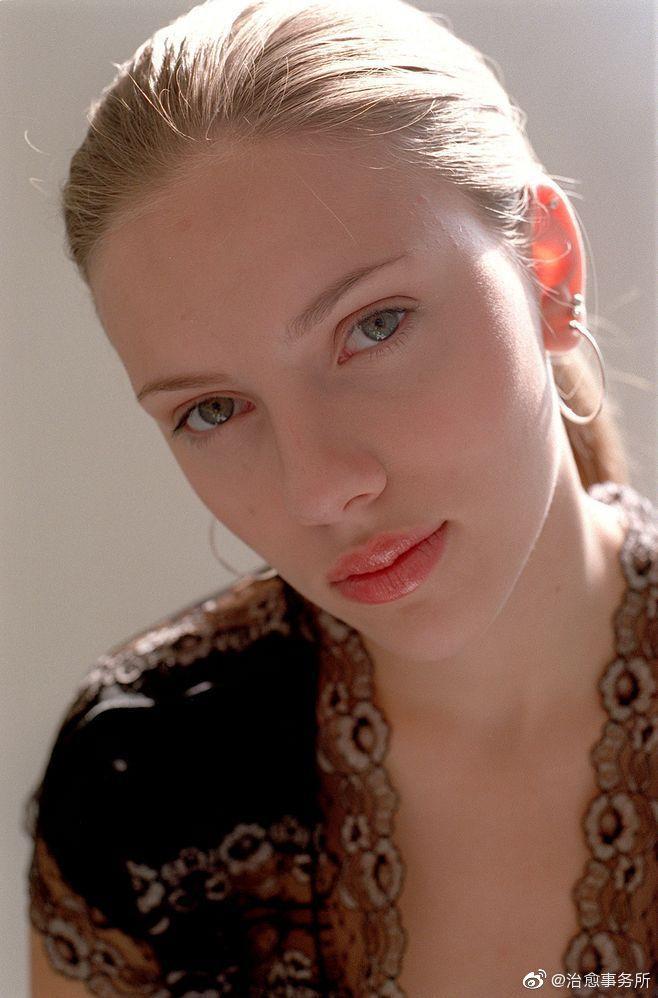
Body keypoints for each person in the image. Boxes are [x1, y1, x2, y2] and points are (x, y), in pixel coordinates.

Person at [23, 0, 657, 995]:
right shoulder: (140, 780)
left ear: (547, 266)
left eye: (375, 325)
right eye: (212, 409)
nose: (320, 489)